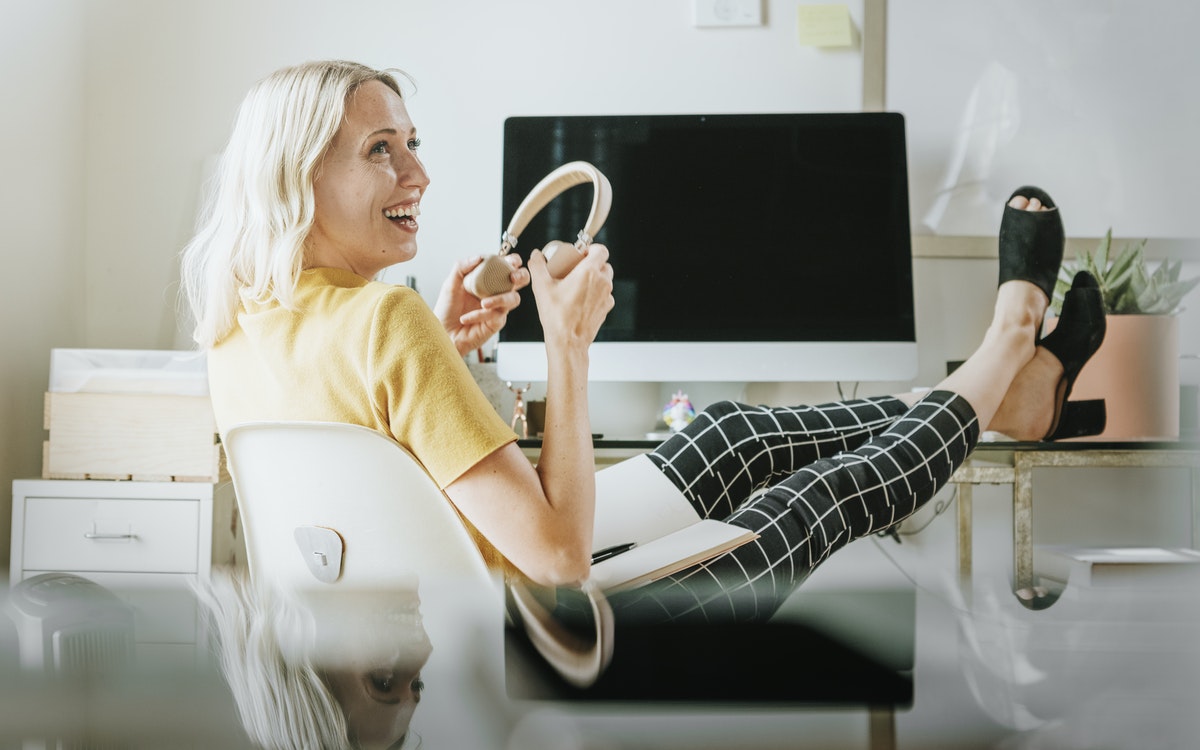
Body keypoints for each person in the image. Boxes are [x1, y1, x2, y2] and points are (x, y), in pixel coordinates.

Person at [181, 60, 1106, 625]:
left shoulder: (236, 325)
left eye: (413, 142)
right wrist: (569, 346)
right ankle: (1010, 344)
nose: (419, 171)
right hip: (548, 635)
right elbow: (557, 561)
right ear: (296, 178)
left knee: (732, 434)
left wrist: (452, 354)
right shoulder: (387, 321)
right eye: (382, 149)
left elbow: (385, 496)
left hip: (446, 616)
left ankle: (1012, 395)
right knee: (827, 494)